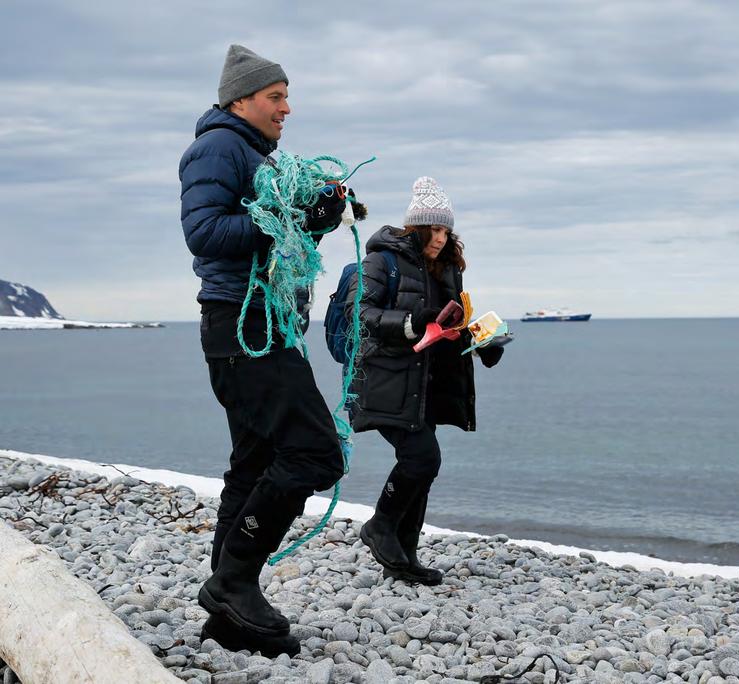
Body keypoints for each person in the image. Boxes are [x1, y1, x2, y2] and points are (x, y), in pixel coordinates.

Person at [178, 44, 347, 656]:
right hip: (241, 326)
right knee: (314, 452)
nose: (287, 108)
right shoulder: (217, 147)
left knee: (253, 463)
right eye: (276, 97)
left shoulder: (252, 153)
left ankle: (229, 619)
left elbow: (273, 231)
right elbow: (204, 232)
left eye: (285, 96)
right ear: (240, 99)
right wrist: (287, 214)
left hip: (263, 324)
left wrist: (315, 215)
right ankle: (234, 581)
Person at [344, 177, 503, 585]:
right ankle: (380, 526)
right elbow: (359, 316)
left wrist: (481, 342)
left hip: (427, 385)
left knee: (422, 467)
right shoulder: (382, 261)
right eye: (433, 228)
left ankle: (405, 558)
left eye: (446, 229)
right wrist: (414, 322)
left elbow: (450, 324)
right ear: (415, 227)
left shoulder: (447, 269)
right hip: (387, 381)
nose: (440, 237)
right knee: (422, 459)